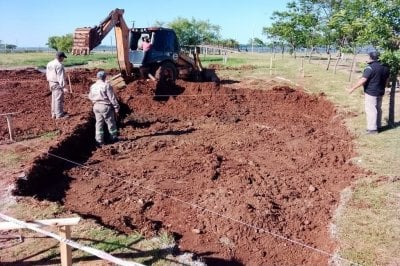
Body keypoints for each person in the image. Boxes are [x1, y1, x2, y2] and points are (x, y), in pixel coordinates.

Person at [347, 51, 390, 134]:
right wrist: (383, 87)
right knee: (378, 109)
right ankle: (378, 126)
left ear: (371, 58)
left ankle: (372, 129)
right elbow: (387, 81)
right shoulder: (385, 67)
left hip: (371, 92)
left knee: (371, 110)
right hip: (380, 91)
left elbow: (363, 80)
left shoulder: (369, 68)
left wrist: (352, 89)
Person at [88, 71, 120, 146]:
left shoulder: (93, 86)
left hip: (96, 106)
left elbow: (89, 96)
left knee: (99, 123)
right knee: (110, 122)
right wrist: (116, 107)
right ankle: (113, 138)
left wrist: (94, 101)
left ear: (97, 77)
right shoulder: (106, 85)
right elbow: (111, 97)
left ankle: (99, 141)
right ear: (105, 77)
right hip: (105, 106)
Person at [46, 51, 69, 119]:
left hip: (51, 83)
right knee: (59, 99)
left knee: (54, 99)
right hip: (57, 84)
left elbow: (47, 74)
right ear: (61, 57)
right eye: (63, 58)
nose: (63, 59)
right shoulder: (59, 65)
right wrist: (64, 87)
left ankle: (54, 114)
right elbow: (60, 77)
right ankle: (59, 115)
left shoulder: (49, 63)